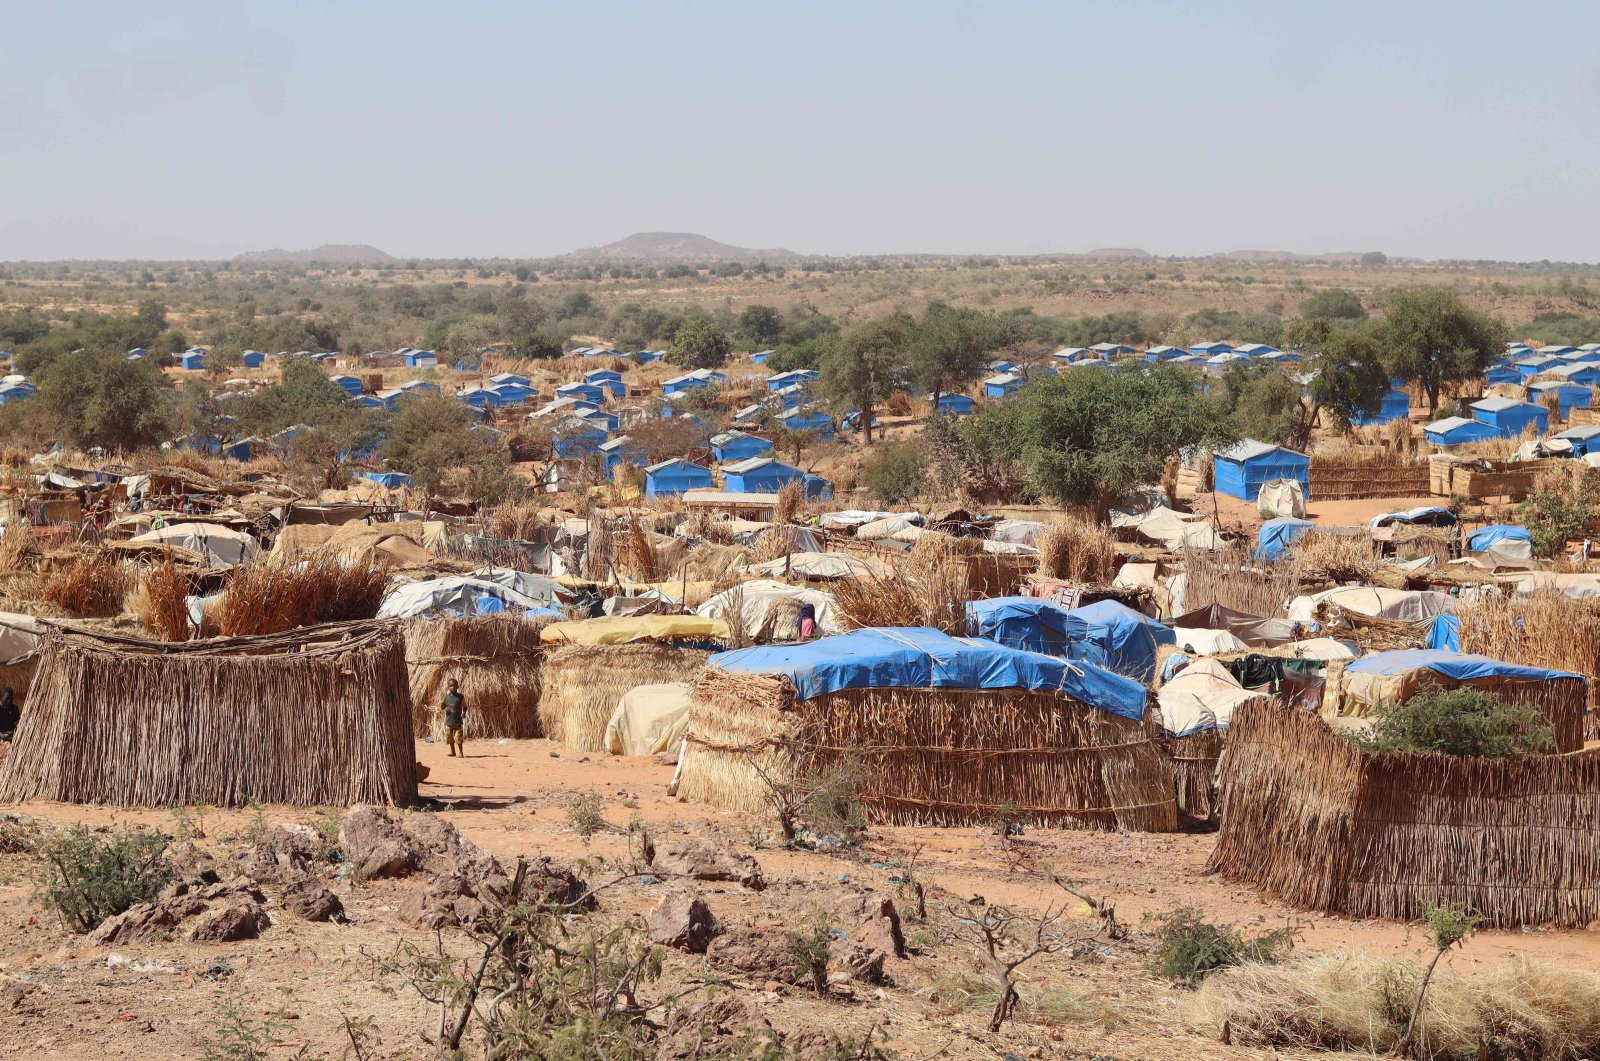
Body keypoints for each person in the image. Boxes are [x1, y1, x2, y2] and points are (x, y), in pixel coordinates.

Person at [441, 679, 466, 757]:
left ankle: (461, 752)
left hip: (458, 721)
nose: (453, 687)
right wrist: (445, 709)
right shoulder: (446, 698)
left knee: (458, 738)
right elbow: (442, 706)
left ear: (457, 686)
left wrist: (464, 713)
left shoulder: (460, 697)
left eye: (454, 685)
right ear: (448, 687)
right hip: (449, 721)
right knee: (450, 738)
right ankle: (453, 752)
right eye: (451, 686)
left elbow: (465, 707)